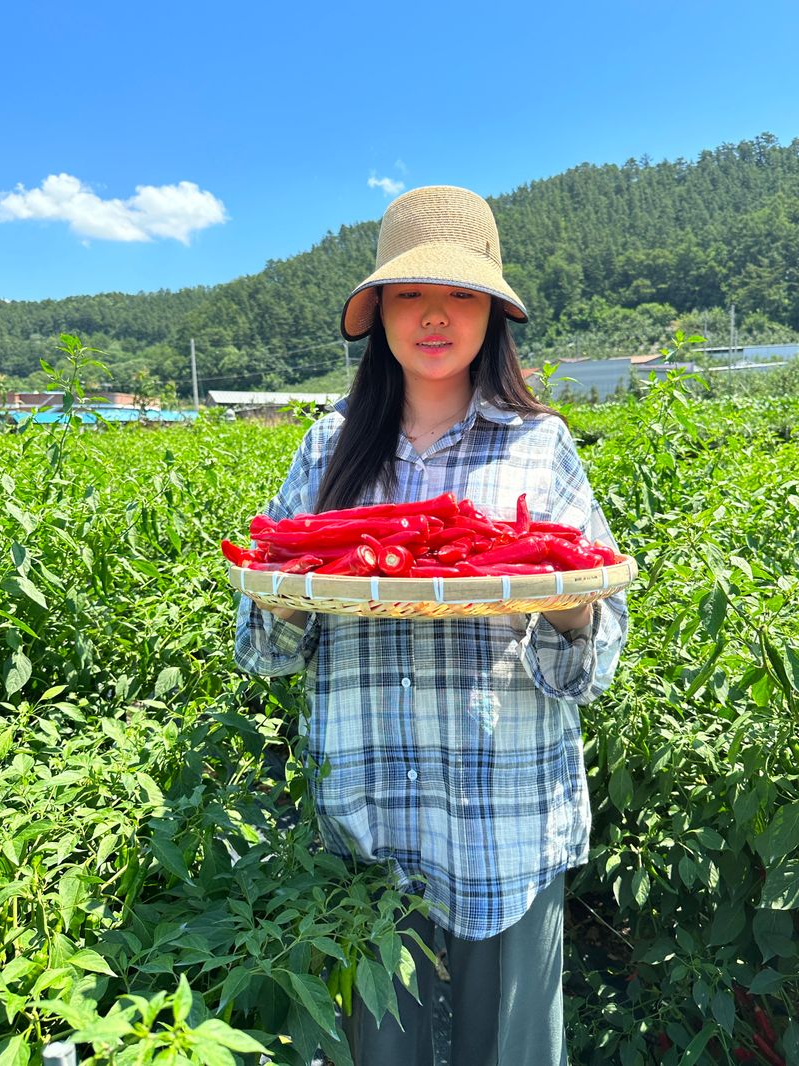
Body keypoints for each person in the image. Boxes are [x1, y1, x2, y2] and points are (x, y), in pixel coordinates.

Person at [235, 185, 628, 1066]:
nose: (436, 316)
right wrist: (284, 594)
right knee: (380, 1051)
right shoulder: (328, 445)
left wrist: (568, 608)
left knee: (514, 1053)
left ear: (493, 313)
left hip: (507, 813)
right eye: (411, 294)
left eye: (461, 294)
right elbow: (265, 649)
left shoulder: (541, 446)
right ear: (378, 313)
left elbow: (595, 654)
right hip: (368, 813)